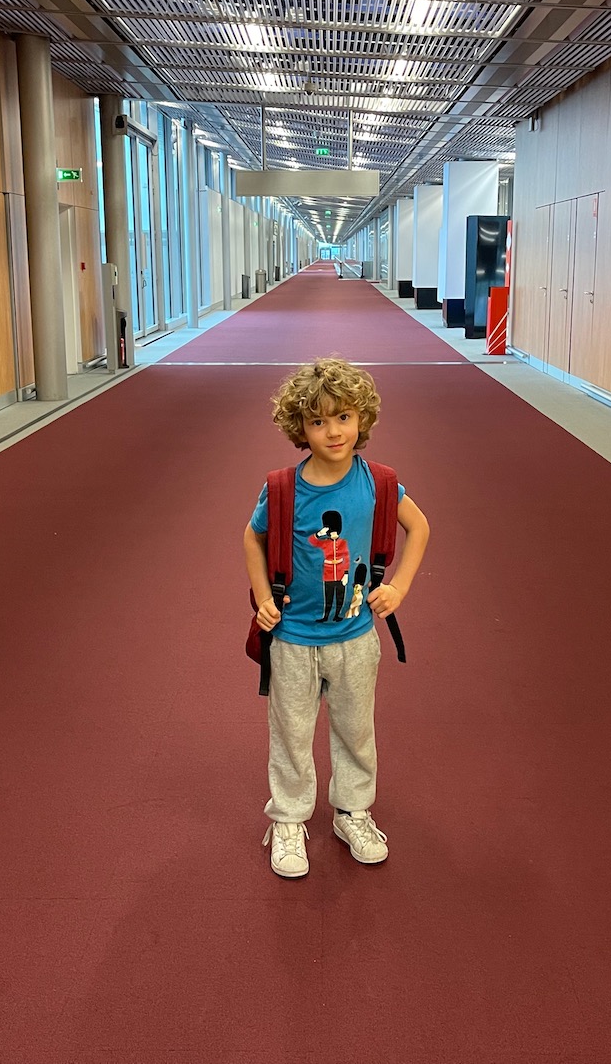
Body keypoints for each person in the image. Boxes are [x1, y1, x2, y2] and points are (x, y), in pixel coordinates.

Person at [243, 358, 431, 878]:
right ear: (299, 428)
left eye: (344, 417)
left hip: (355, 636)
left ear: (362, 420)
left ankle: (352, 810)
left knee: (355, 729)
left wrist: (398, 587)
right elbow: (252, 537)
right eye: (319, 421)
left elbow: (420, 528)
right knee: (290, 733)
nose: (333, 432)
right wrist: (263, 596)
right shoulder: (284, 488)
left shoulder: (380, 483)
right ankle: (288, 819)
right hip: (294, 637)